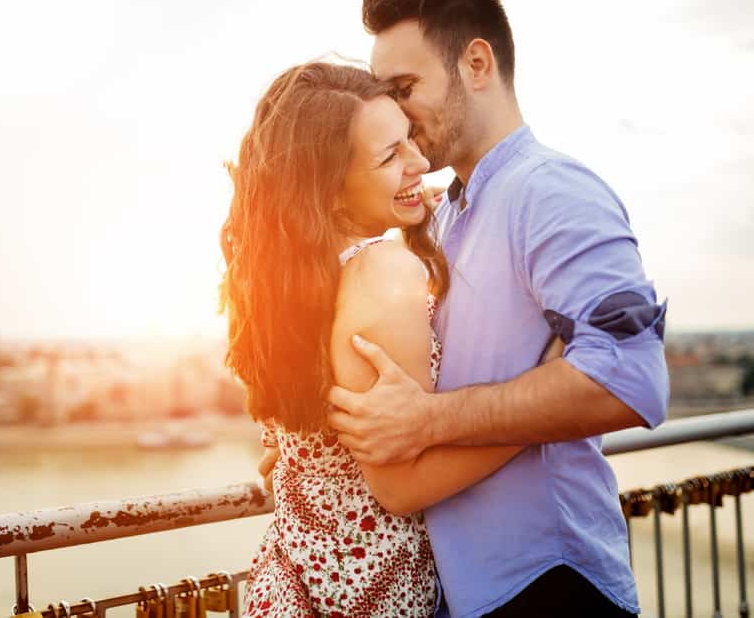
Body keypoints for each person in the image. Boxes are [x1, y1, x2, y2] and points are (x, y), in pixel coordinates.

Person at [311, 0, 667, 618]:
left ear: (477, 63)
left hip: (552, 583)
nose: (394, 112)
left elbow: (632, 380)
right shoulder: (441, 217)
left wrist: (430, 420)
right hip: (466, 593)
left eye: (405, 88)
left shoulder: (552, 190)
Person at [221, 62, 561, 618]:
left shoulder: (278, 282)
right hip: (369, 592)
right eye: (390, 156)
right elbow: (399, 489)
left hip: (293, 579)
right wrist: (540, 415)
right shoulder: (380, 271)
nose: (421, 163)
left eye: (408, 141)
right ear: (328, 189)